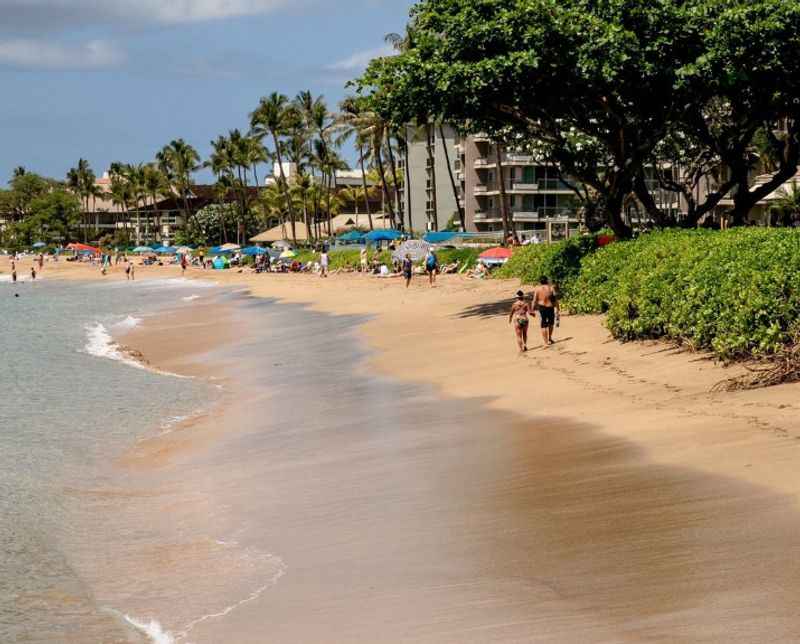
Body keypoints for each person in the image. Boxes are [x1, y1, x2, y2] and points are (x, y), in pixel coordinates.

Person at [532, 276, 560, 347]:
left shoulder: (537, 289)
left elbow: (534, 300)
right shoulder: (551, 288)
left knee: (543, 324)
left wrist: (532, 309)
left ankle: (545, 342)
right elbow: (555, 299)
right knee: (551, 323)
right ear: (547, 281)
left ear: (540, 281)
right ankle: (550, 338)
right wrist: (557, 308)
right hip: (550, 307)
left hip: (542, 308)